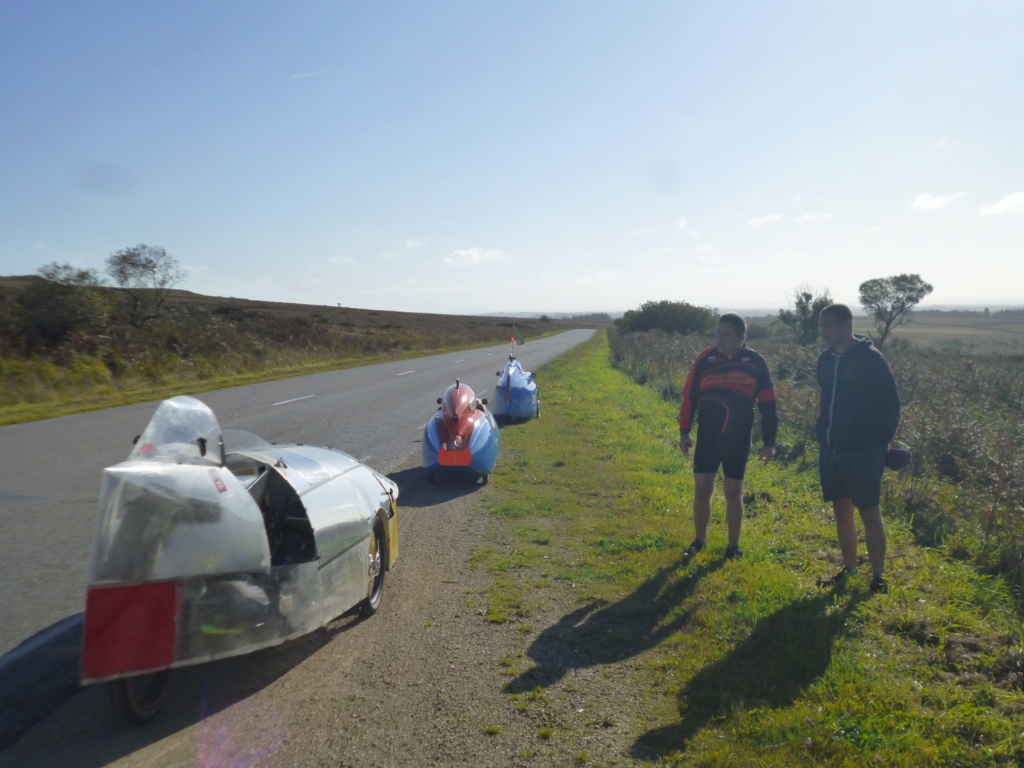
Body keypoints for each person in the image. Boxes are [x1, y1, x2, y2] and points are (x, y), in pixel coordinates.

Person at [815, 303, 901, 594]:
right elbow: (826, 400)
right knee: (842, 510)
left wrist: (878, 445)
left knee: (869, 512)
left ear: (846, 325)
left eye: (828, 324)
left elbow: (891, 406)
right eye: (822, 325)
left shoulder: (871, 359)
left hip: (863, 452)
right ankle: (850, 568)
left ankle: (878, 577)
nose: (823, 330)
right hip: (831, 450)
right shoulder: (825, 360)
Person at [678, 313, 778, 559]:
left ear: (741, 336)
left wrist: (769, 443)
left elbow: (768, 405)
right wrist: (684, 431)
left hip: (738, 438)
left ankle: (733, 547)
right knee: (702, 489)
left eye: (726, 334)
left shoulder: (755, 362)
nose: (720, 339)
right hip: (708, 437)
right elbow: (689, 396)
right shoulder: (705, 359)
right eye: (717, 333)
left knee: (734, 492)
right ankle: (699, 541)